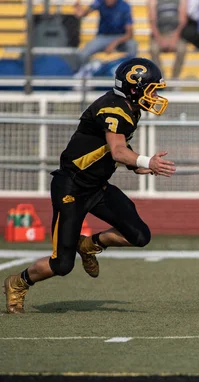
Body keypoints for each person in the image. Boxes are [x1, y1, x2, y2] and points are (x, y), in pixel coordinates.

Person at [3, 58, 176, 314]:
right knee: (61, 265)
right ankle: (17, 282)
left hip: (96, 187)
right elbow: (117, 150)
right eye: (152, 88)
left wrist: (136, 164)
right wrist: (144, 160)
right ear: (134, 88)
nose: (156, 95)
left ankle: (89, 244)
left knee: (139, 235)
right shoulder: (114, 109)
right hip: (71, 188)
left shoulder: (127, 106)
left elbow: (114, 147)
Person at [74, 0, 138, 68]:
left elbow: (129, 34)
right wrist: (79, 9)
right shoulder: (100, 2)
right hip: (102, 37)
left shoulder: (124, 6)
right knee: (83, 53)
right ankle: (84, 73)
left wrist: (115, 43)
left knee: (132, 45)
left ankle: (129, 72)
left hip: (120, 38)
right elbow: (83, 13)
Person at [148, 0, 189, 80]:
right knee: (153, 49)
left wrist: (174, 38)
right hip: (160, 34)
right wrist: (159, 39)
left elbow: (183, 21)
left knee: (182, 49)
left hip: (176, 34)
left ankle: (174, 79)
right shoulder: (153, 1)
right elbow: (152, 21)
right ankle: (161, 79)